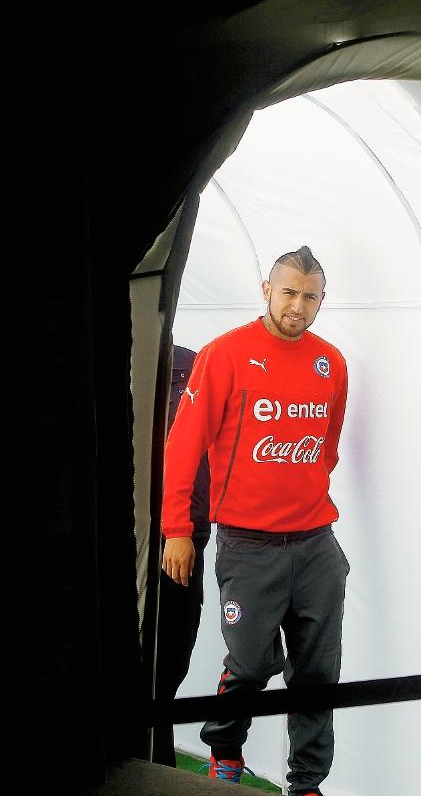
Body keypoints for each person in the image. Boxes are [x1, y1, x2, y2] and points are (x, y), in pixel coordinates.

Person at [161, 246, 349, 796]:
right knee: (248, 666)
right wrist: (177, 529)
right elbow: (183, 446)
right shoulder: (225, 355)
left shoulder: (331, 362)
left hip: (316, 543)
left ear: (320, 301)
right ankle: (225, 752)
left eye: (310, 296)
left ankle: (307, 782)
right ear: (266, 289)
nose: (298, 305)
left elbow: (328, 445)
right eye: (288, 291)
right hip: (247, 546)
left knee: (317, 671)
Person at [153, 345, 212, 767]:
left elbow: (201, 455)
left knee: (171, 658)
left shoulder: (193, 365)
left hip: (181, 539)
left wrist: (185, 531)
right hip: (143, 532)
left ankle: (157, 764)